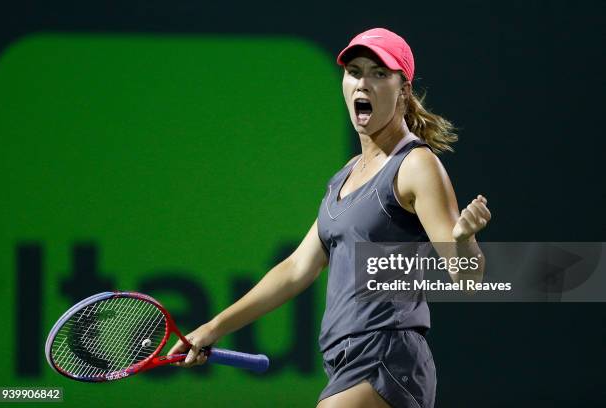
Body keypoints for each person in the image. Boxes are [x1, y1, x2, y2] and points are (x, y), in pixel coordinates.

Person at [168, 27, 491, 408]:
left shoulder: (417, 165)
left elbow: (468, 278)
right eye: (354, 71)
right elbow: (296, 268)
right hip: (343, 363)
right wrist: (213, 328)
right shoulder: (345, 176)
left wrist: (464, 239)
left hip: (386, 357)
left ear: (403, 89)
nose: (363, 83)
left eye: (379, 73)